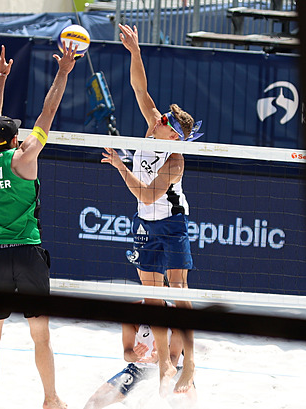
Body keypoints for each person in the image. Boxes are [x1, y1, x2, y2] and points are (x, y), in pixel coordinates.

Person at [101, 24, 203, 396]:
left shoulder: (175, 161)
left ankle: (188, 366)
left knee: (179, 289)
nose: (161, 120)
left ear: (175, 136)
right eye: (163, 119)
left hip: (173, 224)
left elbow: (145, 194)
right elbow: (139, 88)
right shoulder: (151, 126)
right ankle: (163, 365)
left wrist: (120, 167)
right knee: (153, 297)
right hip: (146, 224)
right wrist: (136, 52)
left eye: (167, 124)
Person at [0, 43, 77, 409]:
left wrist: (0, 79)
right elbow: (48, 111)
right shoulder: (26, 155)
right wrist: (63, 71)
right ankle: (50, 398)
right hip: (29, 254)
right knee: (41, 337)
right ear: (15, 140)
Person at [82, 302, 197, 409]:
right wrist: (135, 355)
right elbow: (127, 355)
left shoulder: (175, 314)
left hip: (175, 368)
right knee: (93, 403)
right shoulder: (132, 312)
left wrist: (159, 359)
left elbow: (174, 357)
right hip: (140, 368)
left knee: (190, 405)